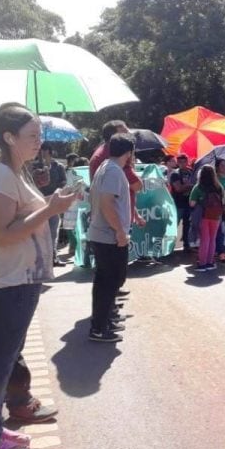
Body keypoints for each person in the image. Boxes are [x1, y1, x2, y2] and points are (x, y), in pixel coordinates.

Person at [0, 103, 76, 449]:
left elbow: (19, 215)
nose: (38, 142)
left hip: (18, 282)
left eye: (40, 135)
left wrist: (50, 200)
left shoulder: (13, 172)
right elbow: (0, 234)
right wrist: (51, 208)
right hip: (9, 284)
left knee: (4, 359)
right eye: (32, 135)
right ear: (9, 137)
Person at [88, 133, 135, 342]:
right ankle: (99, 328)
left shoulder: (106, 167)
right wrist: (119, 231)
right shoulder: (114, 171)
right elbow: (107, 203)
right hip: (109, 236)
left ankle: (103, 322)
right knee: (112, 282)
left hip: (103, 235)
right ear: (129, 153)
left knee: (105, 283)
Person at [31, 142, 67, 266]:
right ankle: (39, 259)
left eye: (44, 150)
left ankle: (53, 257)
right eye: (40, 151)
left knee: (53, 231)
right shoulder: (34, 167)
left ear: (50, 152)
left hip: (54, 203)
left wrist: (59, 191)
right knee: (38, 233)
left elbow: (63, 182)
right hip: (38, 203)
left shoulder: (58, 166)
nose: (41, 153)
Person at [189, 164, 225, 270]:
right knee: (212, 239)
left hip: (203, 215)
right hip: (216, 216)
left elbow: (192, 203)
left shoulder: (198, 187)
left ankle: (202, 264)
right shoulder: (219, 187)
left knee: (205, 239)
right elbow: (222, 201)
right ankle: (210, 262)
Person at [169, 153, 194, 252]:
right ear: (177, 163)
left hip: (189, 203)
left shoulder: (191, 172)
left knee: (188, 225)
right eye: (180, 162)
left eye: (184, 161)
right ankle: (170, 246)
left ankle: (186, 245)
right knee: (174, 225)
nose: (183, 164)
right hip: (178, 203)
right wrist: (189, 186)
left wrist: (189, 186)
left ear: (187, 161)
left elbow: (196, 185)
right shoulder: (175, 174)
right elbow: (178, 188)